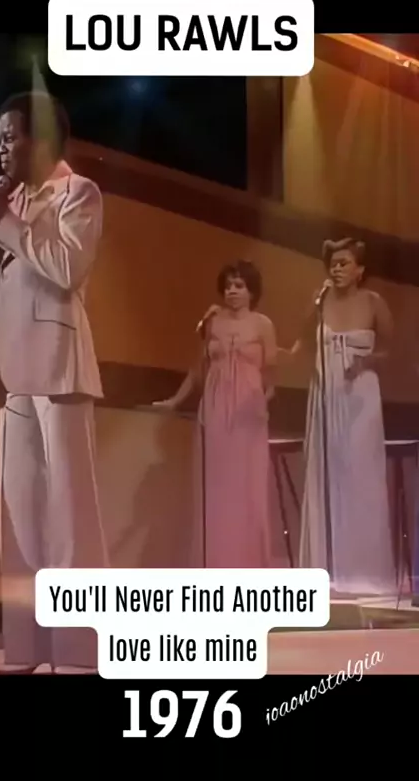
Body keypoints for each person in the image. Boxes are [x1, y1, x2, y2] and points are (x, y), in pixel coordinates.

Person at [0, 90, 109, 673]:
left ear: (40, 138)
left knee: (69, 516)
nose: (1, 147)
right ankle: (26, 648)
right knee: (18, 519)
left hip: (61, 369)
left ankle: (78, 651)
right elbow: (4, 304)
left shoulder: (79, 193)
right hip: (13, 378)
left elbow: (67, 268)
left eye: (11, 136)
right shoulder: (10, 205)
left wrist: (9, 222)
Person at [288, 237, 396, 596]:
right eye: (333, 263)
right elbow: (303, 340)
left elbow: (391, 350)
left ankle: (364, 572)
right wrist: (313, 306)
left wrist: (366, 361)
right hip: (325, 394)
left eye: (344, 263)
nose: (336, 269)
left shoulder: (374, 302)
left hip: (360, 394)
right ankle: (326, 571)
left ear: (360, 270)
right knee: (325, 475)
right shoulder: (320, 301)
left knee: (359, 474)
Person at [154, 260, 277, 568]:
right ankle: (217, 559)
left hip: (248, 409)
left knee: (246, 483)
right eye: (228, 286)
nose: (232, 291)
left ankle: (246, 561)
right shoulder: (213, 322)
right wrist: (175, 400)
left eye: (239, 286)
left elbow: (271, 373)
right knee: (216, 484)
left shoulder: (262, 324)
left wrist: (263, 402)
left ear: (252, 291)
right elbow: (198, 368)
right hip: (215, 405)